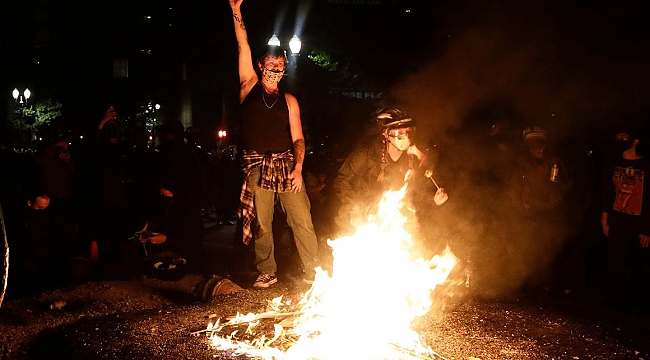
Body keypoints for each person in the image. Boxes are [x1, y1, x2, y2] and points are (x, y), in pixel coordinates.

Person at [229, 0, 319, 288]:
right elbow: (242, 44)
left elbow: (298, 138)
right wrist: (237, 10)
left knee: (301, 220)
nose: (275, 69)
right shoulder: (248, 87)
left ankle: (311, 272)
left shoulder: (289, 100)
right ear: (260, 65)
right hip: (257, 164)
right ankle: (267, 269)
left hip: (286, 164)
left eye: (280, 66)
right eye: (271, 65)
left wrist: (298, 169)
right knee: (261, 223)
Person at [332, 107, 449, 243]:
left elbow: (417, 192)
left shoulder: (412, 157)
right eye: (399, 132)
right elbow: (341, 180)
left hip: (398, 214)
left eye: (408, 132)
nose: (405, 137)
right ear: (385, 134)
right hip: (364, 209)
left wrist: (433, 200)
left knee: (415, 244)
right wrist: (354, 209)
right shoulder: (367, 153)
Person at [509, 126, 572, 292]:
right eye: (530, 141)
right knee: (530, 247)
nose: (535, 146)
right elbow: (515, 187)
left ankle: (549, 283)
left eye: (538, 141)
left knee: (549, 247)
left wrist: (555, 194)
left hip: (551, 211)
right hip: (530, 211)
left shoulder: (555, 161)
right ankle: (531, 283)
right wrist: (522, 205)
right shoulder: (523, 162)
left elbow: (567, 183)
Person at [599, 126, 650, 310]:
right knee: (615, 262)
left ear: (635, 140)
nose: (620, 139)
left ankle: (635, 306)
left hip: (637, 223)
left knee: (635, 265)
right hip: (617, 220)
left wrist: (647, 229)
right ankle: (615, 304)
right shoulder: (613, 162)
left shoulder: (646, 166)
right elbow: (607, 192)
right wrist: (605, 219)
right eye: (618, 135)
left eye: (624, 136)